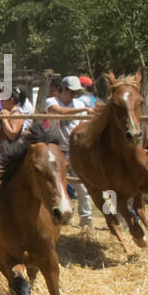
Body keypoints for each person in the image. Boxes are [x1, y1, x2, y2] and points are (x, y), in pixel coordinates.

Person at [47, 75, 96, 226]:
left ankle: (86, 221)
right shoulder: (51, 101)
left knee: (82, 187)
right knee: (54, 188)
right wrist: (84, 109)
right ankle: (52, 219)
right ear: (63, 89)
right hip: (56, 152)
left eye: (76, 92)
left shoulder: (79, 103)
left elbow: (85, 126)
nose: (74, 95)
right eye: (71, 91)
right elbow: (59, 111)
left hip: (74, 152)